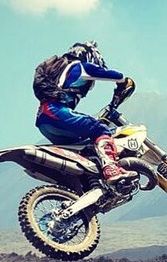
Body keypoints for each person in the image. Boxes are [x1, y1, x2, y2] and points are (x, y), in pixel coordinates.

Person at [34, 41, 137, 185]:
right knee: (100, 130)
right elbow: (116, 76)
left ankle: (87, 186)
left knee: (83, 150)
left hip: (43, 120)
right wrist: (124, 82)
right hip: (57, 112)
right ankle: (111, 168)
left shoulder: (58, 73)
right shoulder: (82, 67)